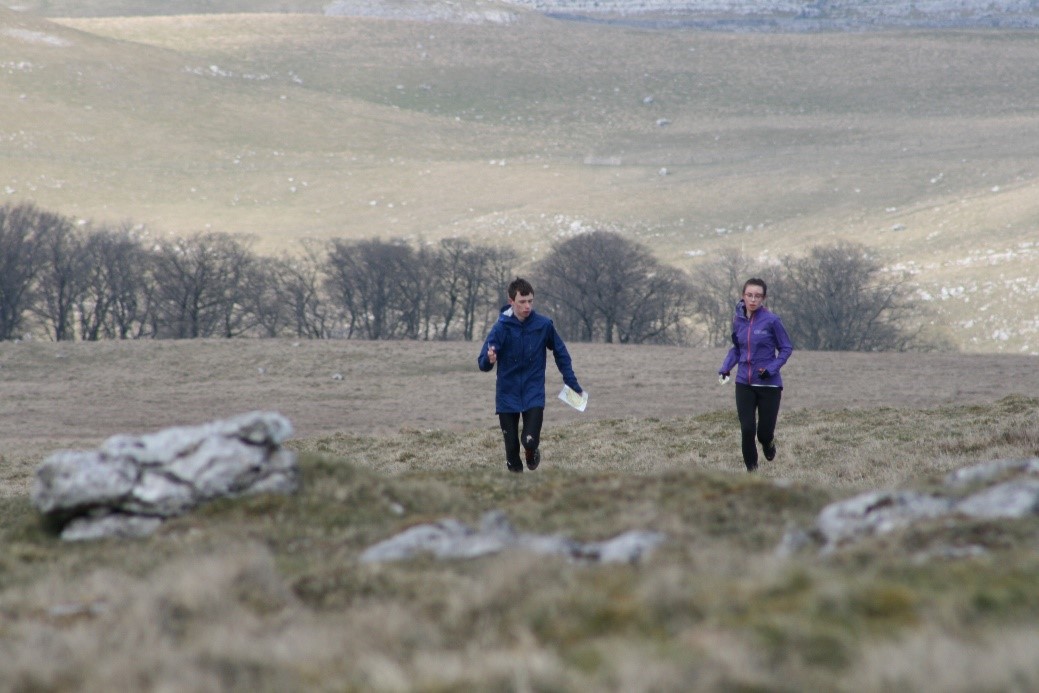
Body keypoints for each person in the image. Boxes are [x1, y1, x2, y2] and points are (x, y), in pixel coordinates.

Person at [478, 277, 583, 473]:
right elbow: (482, 362)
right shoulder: (501, 327)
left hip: (533, 392)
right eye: (522, 302)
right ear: (511, 302)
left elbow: (561, 353)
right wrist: (489, 360)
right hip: (507, 394)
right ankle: (517, 489)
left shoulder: (543, 325)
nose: (527, 306)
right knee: (511, 452)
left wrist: (571, 381)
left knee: (529, 440)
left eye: (530, 301)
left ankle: (532, 452)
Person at [718, 278, 793, 472]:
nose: (753, 299)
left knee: (764, 434)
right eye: (749, 295)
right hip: (744, 382)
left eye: (757, 296)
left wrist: (772, 369)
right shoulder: (738, 320)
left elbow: (786, 348)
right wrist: (726, 368)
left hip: (769, 384)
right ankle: (752, 473)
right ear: (743, 296)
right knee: (747, 429)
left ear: (763, 298)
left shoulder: (772, 321)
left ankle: (768, 444)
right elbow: (737, 349)